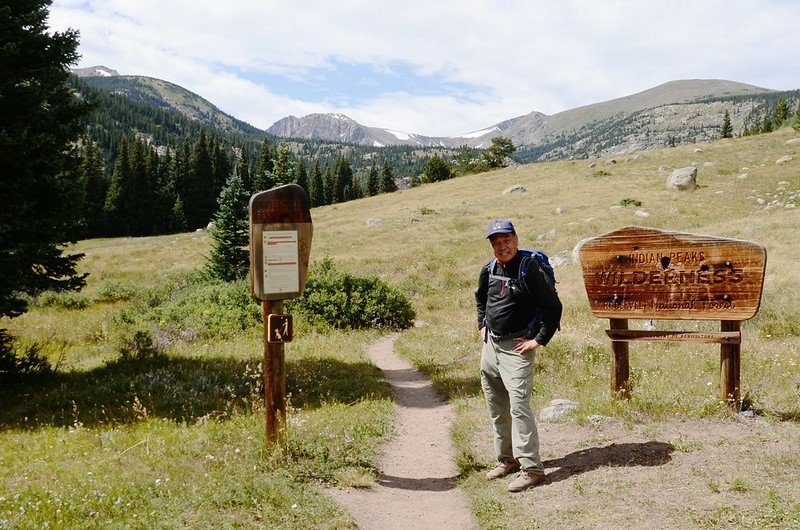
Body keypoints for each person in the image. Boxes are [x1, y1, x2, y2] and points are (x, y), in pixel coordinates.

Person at [475, 219, 562, 492]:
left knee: (519, 407)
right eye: (496, 243)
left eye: (506, 240)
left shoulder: (529, 268)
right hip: (491, 346)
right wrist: (481, 325)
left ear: (516, 238)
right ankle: (507, 460)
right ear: (492, 246)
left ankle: (532, 469)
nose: (502, 247)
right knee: (496, 405)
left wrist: (538, 340)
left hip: (516, 348)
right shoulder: (489, 269)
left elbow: (553, 307)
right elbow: (480, 299)